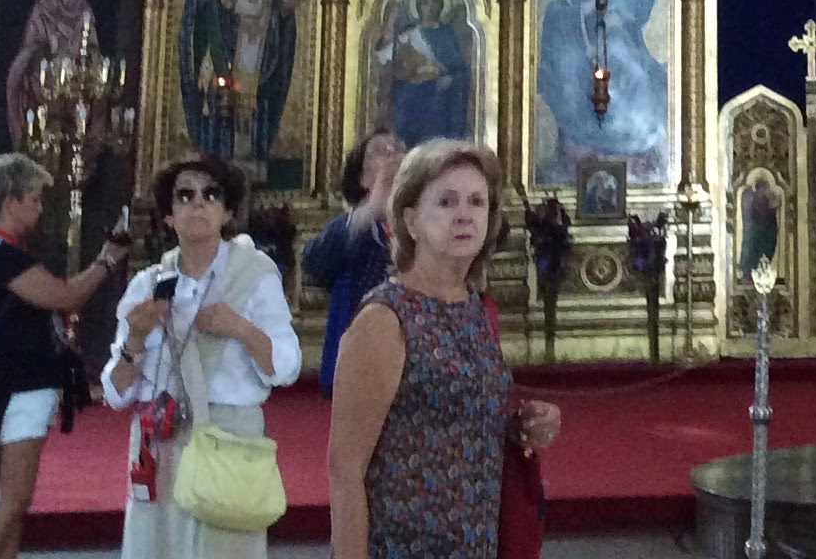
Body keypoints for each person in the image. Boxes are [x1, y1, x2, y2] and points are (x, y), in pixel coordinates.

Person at [328, 141, 562, 559]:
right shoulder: (385, 319)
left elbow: (450, 418)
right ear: (411, 220)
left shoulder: (473, 307)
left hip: (475, 543)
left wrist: (520, 427)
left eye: (477, 202)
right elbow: (345, 469)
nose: (464, 214)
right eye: (446, 201)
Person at [104, 154, 302, 559]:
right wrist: (136, 339)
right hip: (162, 442)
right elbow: (115, 392)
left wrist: (241, 328)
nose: (198, 203)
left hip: (229, 439)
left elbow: (286, 366)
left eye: (211, 195)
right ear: (168, 215)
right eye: (185, 195)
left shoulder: (255, 275)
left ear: (227, 212)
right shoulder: (147, 285)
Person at [0, 153, 133, 559]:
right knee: (13, 500)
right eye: (34, 199)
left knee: (9, 502)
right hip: (18, 386)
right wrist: (107, 260)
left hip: (6, 383)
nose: (39, 208)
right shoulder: (1, 257)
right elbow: (65, 296)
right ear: (11, 203)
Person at [302, 131, 401, 389]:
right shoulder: (349, 226)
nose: (392, 154)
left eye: (398, 148)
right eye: (379, 151)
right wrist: (371, 209)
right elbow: (314, 264)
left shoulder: (423, 227)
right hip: (360, 359)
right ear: (362, 178)